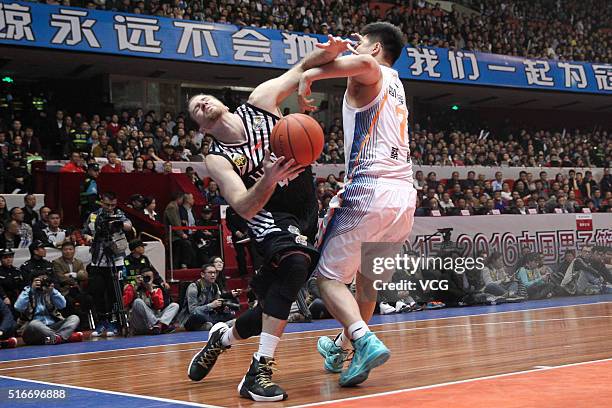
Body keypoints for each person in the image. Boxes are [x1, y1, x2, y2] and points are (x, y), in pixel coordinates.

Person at [185, 36, 348, 401]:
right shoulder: (217, 157)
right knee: (292, 266)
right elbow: (243, 206)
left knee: (279, 299)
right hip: (265, 214)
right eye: (196, 108)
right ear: (201, 126)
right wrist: (268, 178)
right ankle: (258, 372)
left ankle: (222, 338)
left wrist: (330, 52)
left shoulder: (259, 102)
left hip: (306, 209)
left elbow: (302, 68)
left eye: (204, 98)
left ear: (222, 102)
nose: (203, 103)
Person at [297, 23, 416, 386]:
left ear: (376, 48)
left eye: (362, 43)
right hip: (404, 196)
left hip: (371, 189)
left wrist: (308, 77)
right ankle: (344, 346)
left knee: (328, 279)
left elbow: (356, 65)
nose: (356, 48)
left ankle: (362, 340)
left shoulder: (371, 68)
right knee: (367, 282)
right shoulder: (397, 82)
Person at [83, 191, 132, 337]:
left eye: (113, 205)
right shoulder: (93, 215)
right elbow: (85, 232)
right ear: (101, 202)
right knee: (98, 292)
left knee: (114, 293)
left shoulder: (119, 214)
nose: (110, 207)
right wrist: (87, 237)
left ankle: (115, 322)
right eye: (107, 204)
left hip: (115, 260)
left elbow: (129, 226)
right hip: (98, 260)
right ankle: (101, 322)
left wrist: (119, 223)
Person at [14, 271, 83, 345]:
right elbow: (18, 307)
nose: (41, 283)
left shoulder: (50, 291)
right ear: (31, 282)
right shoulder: (28, 291)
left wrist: (52, 291)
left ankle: (56, 338)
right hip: (33, 331)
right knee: (34, 324)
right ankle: (65, 337)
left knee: (74, 318)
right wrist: (31, 289)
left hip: (52, 327)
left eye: (43, 280)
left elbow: (62, 305)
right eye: (38, 281)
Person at [179, 264, 237, 331]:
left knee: (230, 314)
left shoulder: (215, 286)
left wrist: (223, 308)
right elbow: (193, 311)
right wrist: (211, 305)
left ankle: (211, 326)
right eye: (210, 273)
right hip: (192, 318)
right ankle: (221, 325)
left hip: (209, 315)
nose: (213, 275)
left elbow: (217, 306)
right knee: (199, 316)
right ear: (202, 274)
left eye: (214, 273)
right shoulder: (194, 287)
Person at [122, 268, 178, 335]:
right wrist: (135, 287)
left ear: (153, 278)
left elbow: (159, 306)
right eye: (144, 277)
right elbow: (124, 304)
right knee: (137, 301)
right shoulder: (133, 288)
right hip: (139, 323)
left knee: (175, 305)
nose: (146, 279)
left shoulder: (157, 289)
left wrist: (151, 290)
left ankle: (158, 326)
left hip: (153, 322)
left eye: (149, 278)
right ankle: (160, 325)